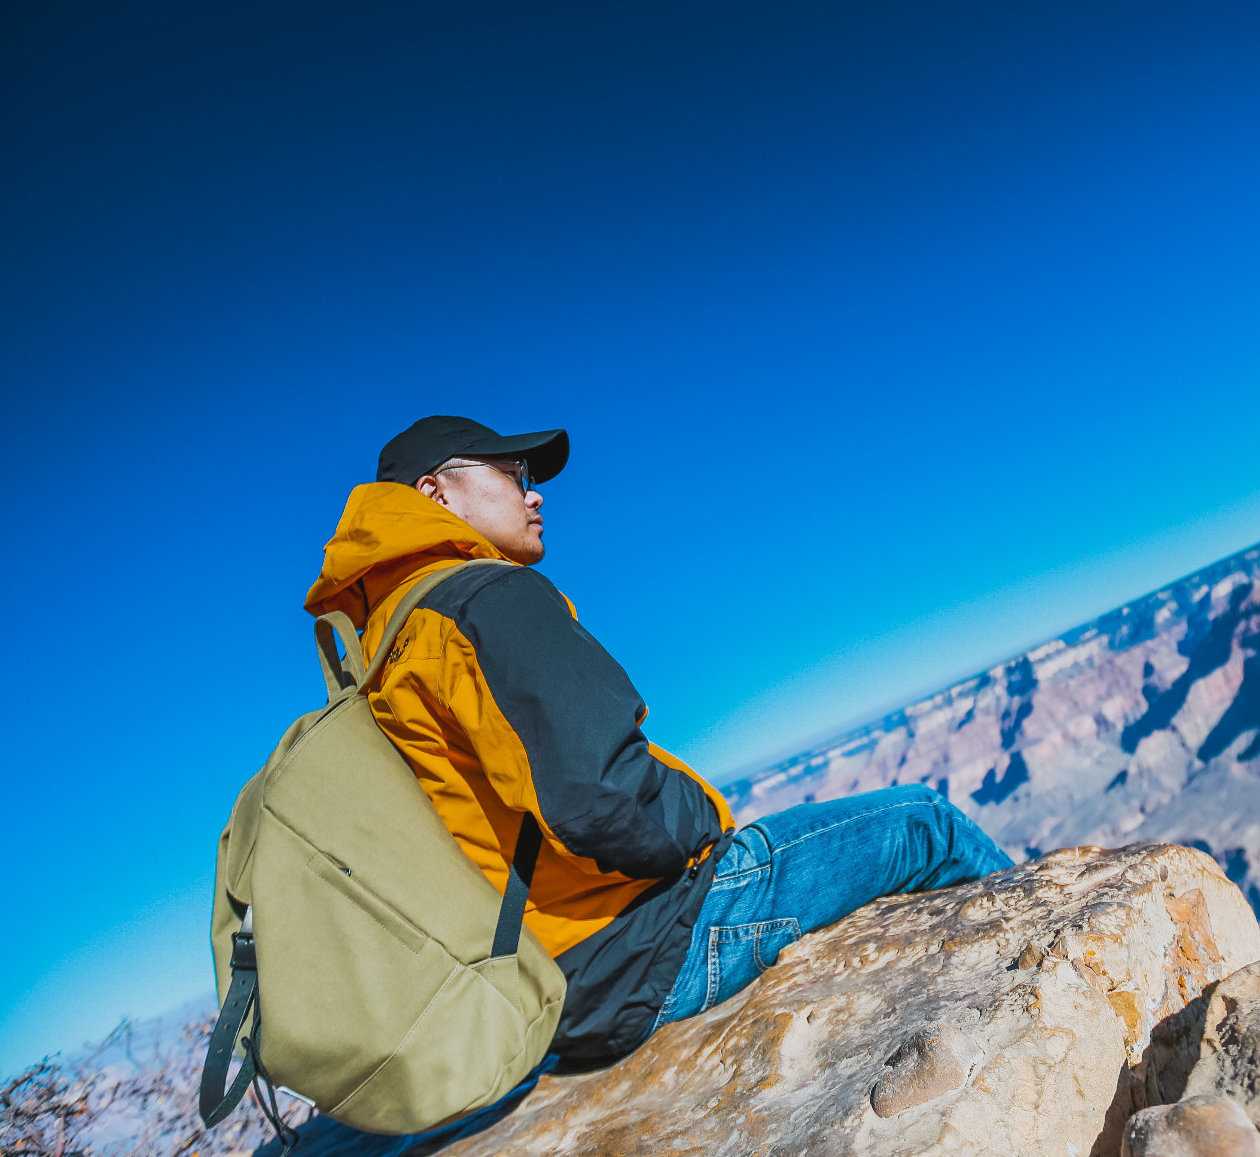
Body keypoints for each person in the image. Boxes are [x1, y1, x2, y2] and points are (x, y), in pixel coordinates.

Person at [303, 415, 1013, 1069]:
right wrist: (705, 824)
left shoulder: (384, 645)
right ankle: (1036, 990)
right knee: (922, 821)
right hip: (642, 949)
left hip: (543, 987)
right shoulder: (485, 598)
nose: (536, 493)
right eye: (514, 474)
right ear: (436, 491)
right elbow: (600, 796)